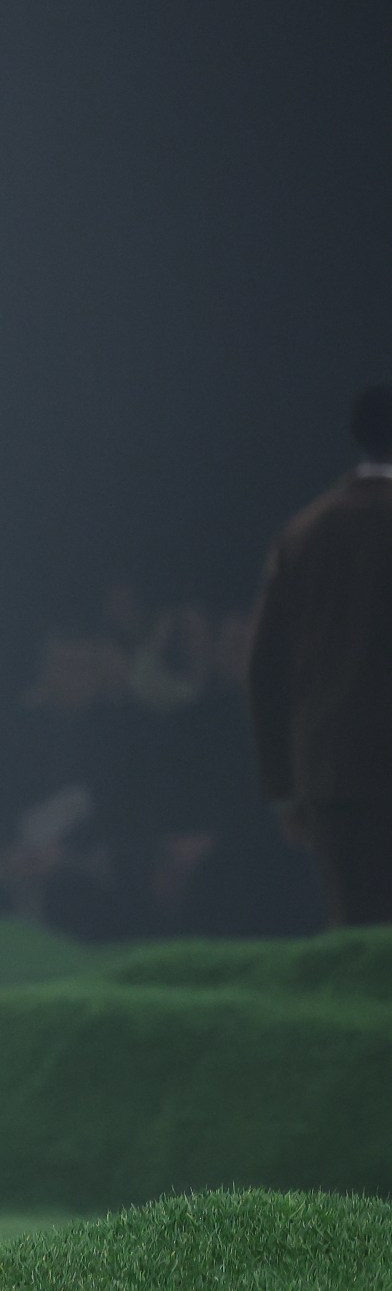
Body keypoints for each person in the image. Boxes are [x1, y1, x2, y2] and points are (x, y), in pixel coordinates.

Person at [248, 383, 392, 926]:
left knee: (355, 932)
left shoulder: (302, 532)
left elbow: (265, 669)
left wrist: (283, 786)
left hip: (329, 772)